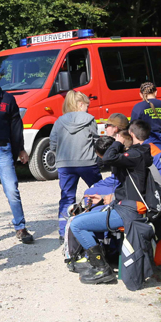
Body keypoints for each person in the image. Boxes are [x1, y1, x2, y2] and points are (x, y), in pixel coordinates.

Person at [69, 120, 154, 284]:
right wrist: (103, 198)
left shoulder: (136, 155)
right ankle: (100, 261)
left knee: (77, 224)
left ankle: (102, 269)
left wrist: (118, 141)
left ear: (132, 135)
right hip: (125, 207)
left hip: (128, 212)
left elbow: (108, 157)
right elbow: (128, 186)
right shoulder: (138, 155)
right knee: (82, 217)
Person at [0, 79, 33, 244]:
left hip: (3, 150)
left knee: (12, 191)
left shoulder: (8, 99)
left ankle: (21, 228)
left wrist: (21, 149)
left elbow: (16, 126)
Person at [50, 90, 102, 239]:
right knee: (98, 192)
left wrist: (59, 155)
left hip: (65, 164)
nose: (88, 109)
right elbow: (96, 140)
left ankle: (63, 232)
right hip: (87, 162)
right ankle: (99, 227)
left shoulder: (59, 121)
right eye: (87, 105)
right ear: (80, 104)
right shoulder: (89, 119)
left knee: (67, 197)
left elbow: (53, 144)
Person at [83, 113, 129, 199]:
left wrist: (96, 185)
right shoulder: (125, 143)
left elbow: (117, 179)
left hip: (124, 190)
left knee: (89, 193)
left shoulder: (120, 147)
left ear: (115, 128)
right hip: (123, 186)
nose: (105, 128)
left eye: (107, 125)